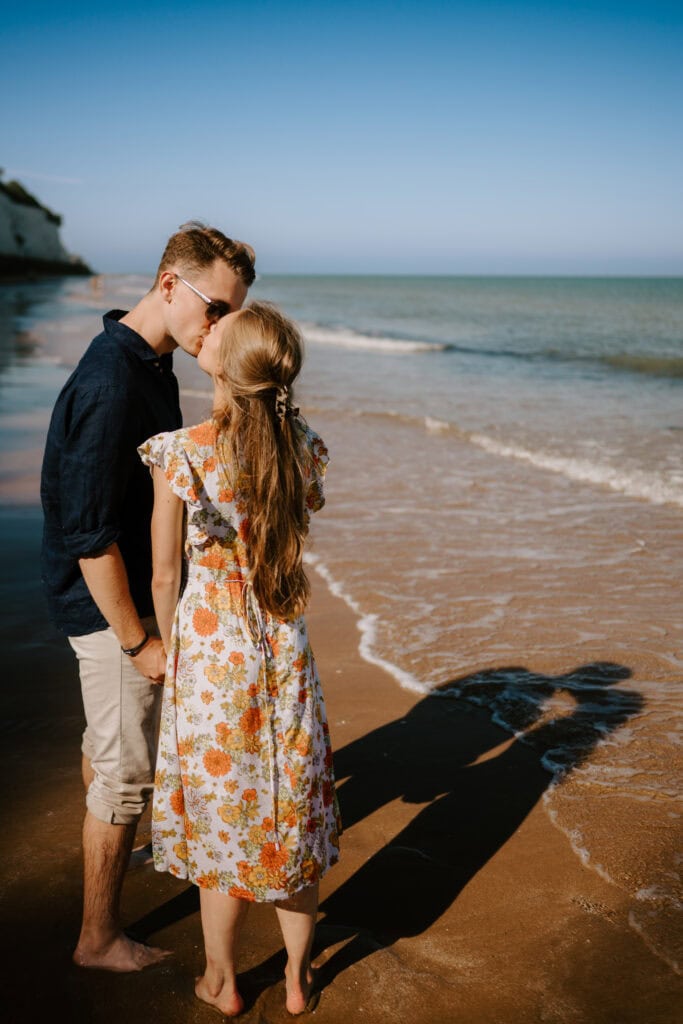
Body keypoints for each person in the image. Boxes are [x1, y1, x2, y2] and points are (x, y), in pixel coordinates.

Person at [40, 222, 256, 972]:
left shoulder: (148, 361)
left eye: (233, 313)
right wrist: (139, 641)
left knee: (109, 755)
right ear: (170, 286)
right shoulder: (113, 382)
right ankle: (97, 938)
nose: (222, 325)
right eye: (216, 309)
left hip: (113, 598)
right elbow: (90, 534)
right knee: (128, 774)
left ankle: (108, 845)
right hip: (109, 606)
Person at [138, 301, 341, 1015]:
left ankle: (222, 982)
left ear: (224, 363)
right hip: (283, 648)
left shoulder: (183, 450)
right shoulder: (304, 446)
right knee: (291, 821)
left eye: (220, 328)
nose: (209, 328)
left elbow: (164, 573)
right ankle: (294, 978)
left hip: (212, 653)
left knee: (225, 820)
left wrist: (165, 648)